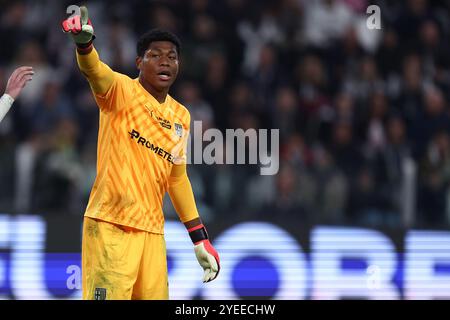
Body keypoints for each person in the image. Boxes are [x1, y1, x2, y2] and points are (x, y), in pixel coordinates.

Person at [62, 6, 220, 300]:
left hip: (152, 235)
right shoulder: (121, 91)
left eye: (172, 57)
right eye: (155, 55)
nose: (165, 62)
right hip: (111, 226)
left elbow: (177, 180)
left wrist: (199, 238)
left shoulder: (180, 116)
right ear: (139, 62)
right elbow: (94, 70)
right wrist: (85, 45)